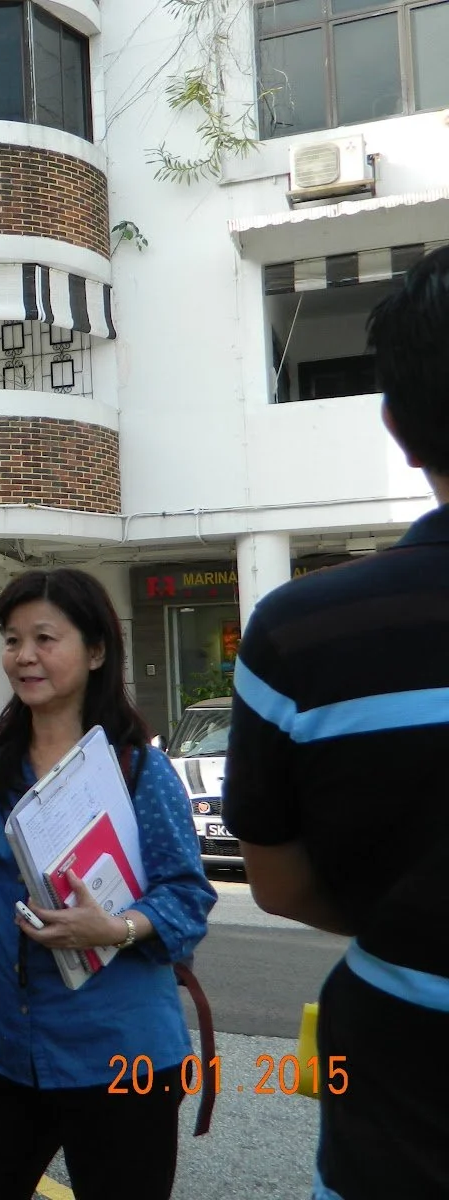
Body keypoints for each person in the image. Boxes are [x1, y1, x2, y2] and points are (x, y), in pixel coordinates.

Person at [224, 245, 449, 1199]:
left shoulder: (303, 634)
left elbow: (273, 882)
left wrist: (407, 921)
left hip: (399, 1074)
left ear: (396, 426)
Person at [0, 568, 215, 1200]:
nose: (24, 656)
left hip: (120, 1055)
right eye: (12, 639)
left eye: (45, 638)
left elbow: (187, 899)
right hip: (3, 1051)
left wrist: (116, 927)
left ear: (97, 650)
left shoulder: (139, 768)